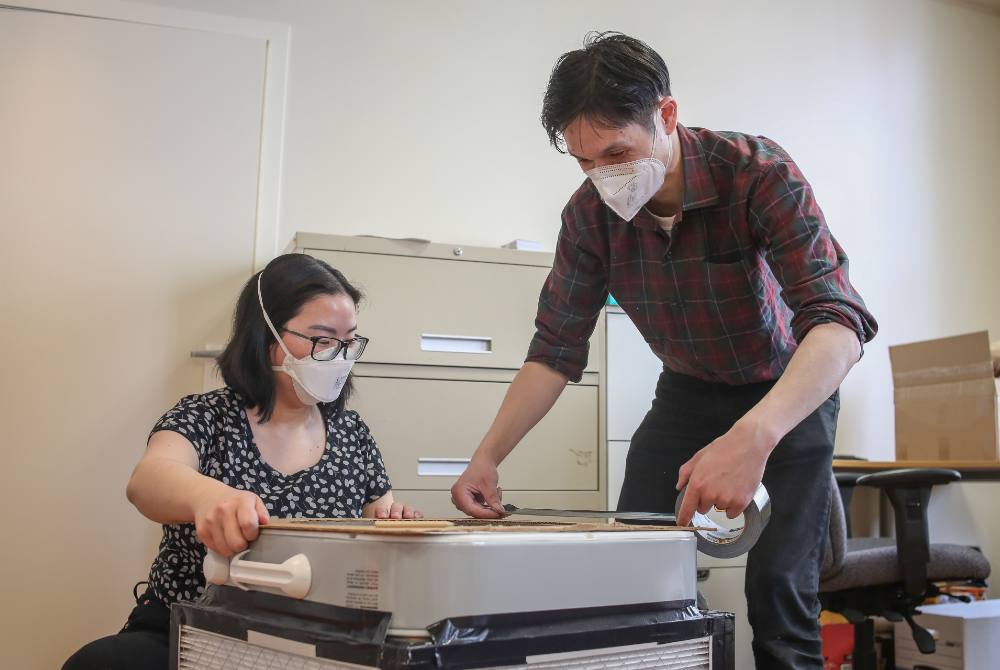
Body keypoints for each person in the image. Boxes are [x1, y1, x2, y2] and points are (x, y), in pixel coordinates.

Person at [451, 32, 877, 669]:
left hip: (788, 389)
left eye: (618, 151)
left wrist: (754, 436)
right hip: (686, 392)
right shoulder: (587, 219)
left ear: (667, 116)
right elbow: (554, 350)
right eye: (584, 161)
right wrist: (487, 456)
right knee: (633, 572)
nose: (604, 176)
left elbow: (840, 325)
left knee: (780, 591)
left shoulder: (757, 173)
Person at [64, 253, 420, 670]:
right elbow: (149, 480)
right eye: (322, 340)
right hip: (189, 629)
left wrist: (396, 527)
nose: (338, 357)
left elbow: (378, 522)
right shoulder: (206, 416)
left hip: (311, 644)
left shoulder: (351, 433)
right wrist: (208, 497)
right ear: (264, 335)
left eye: (348, 342)